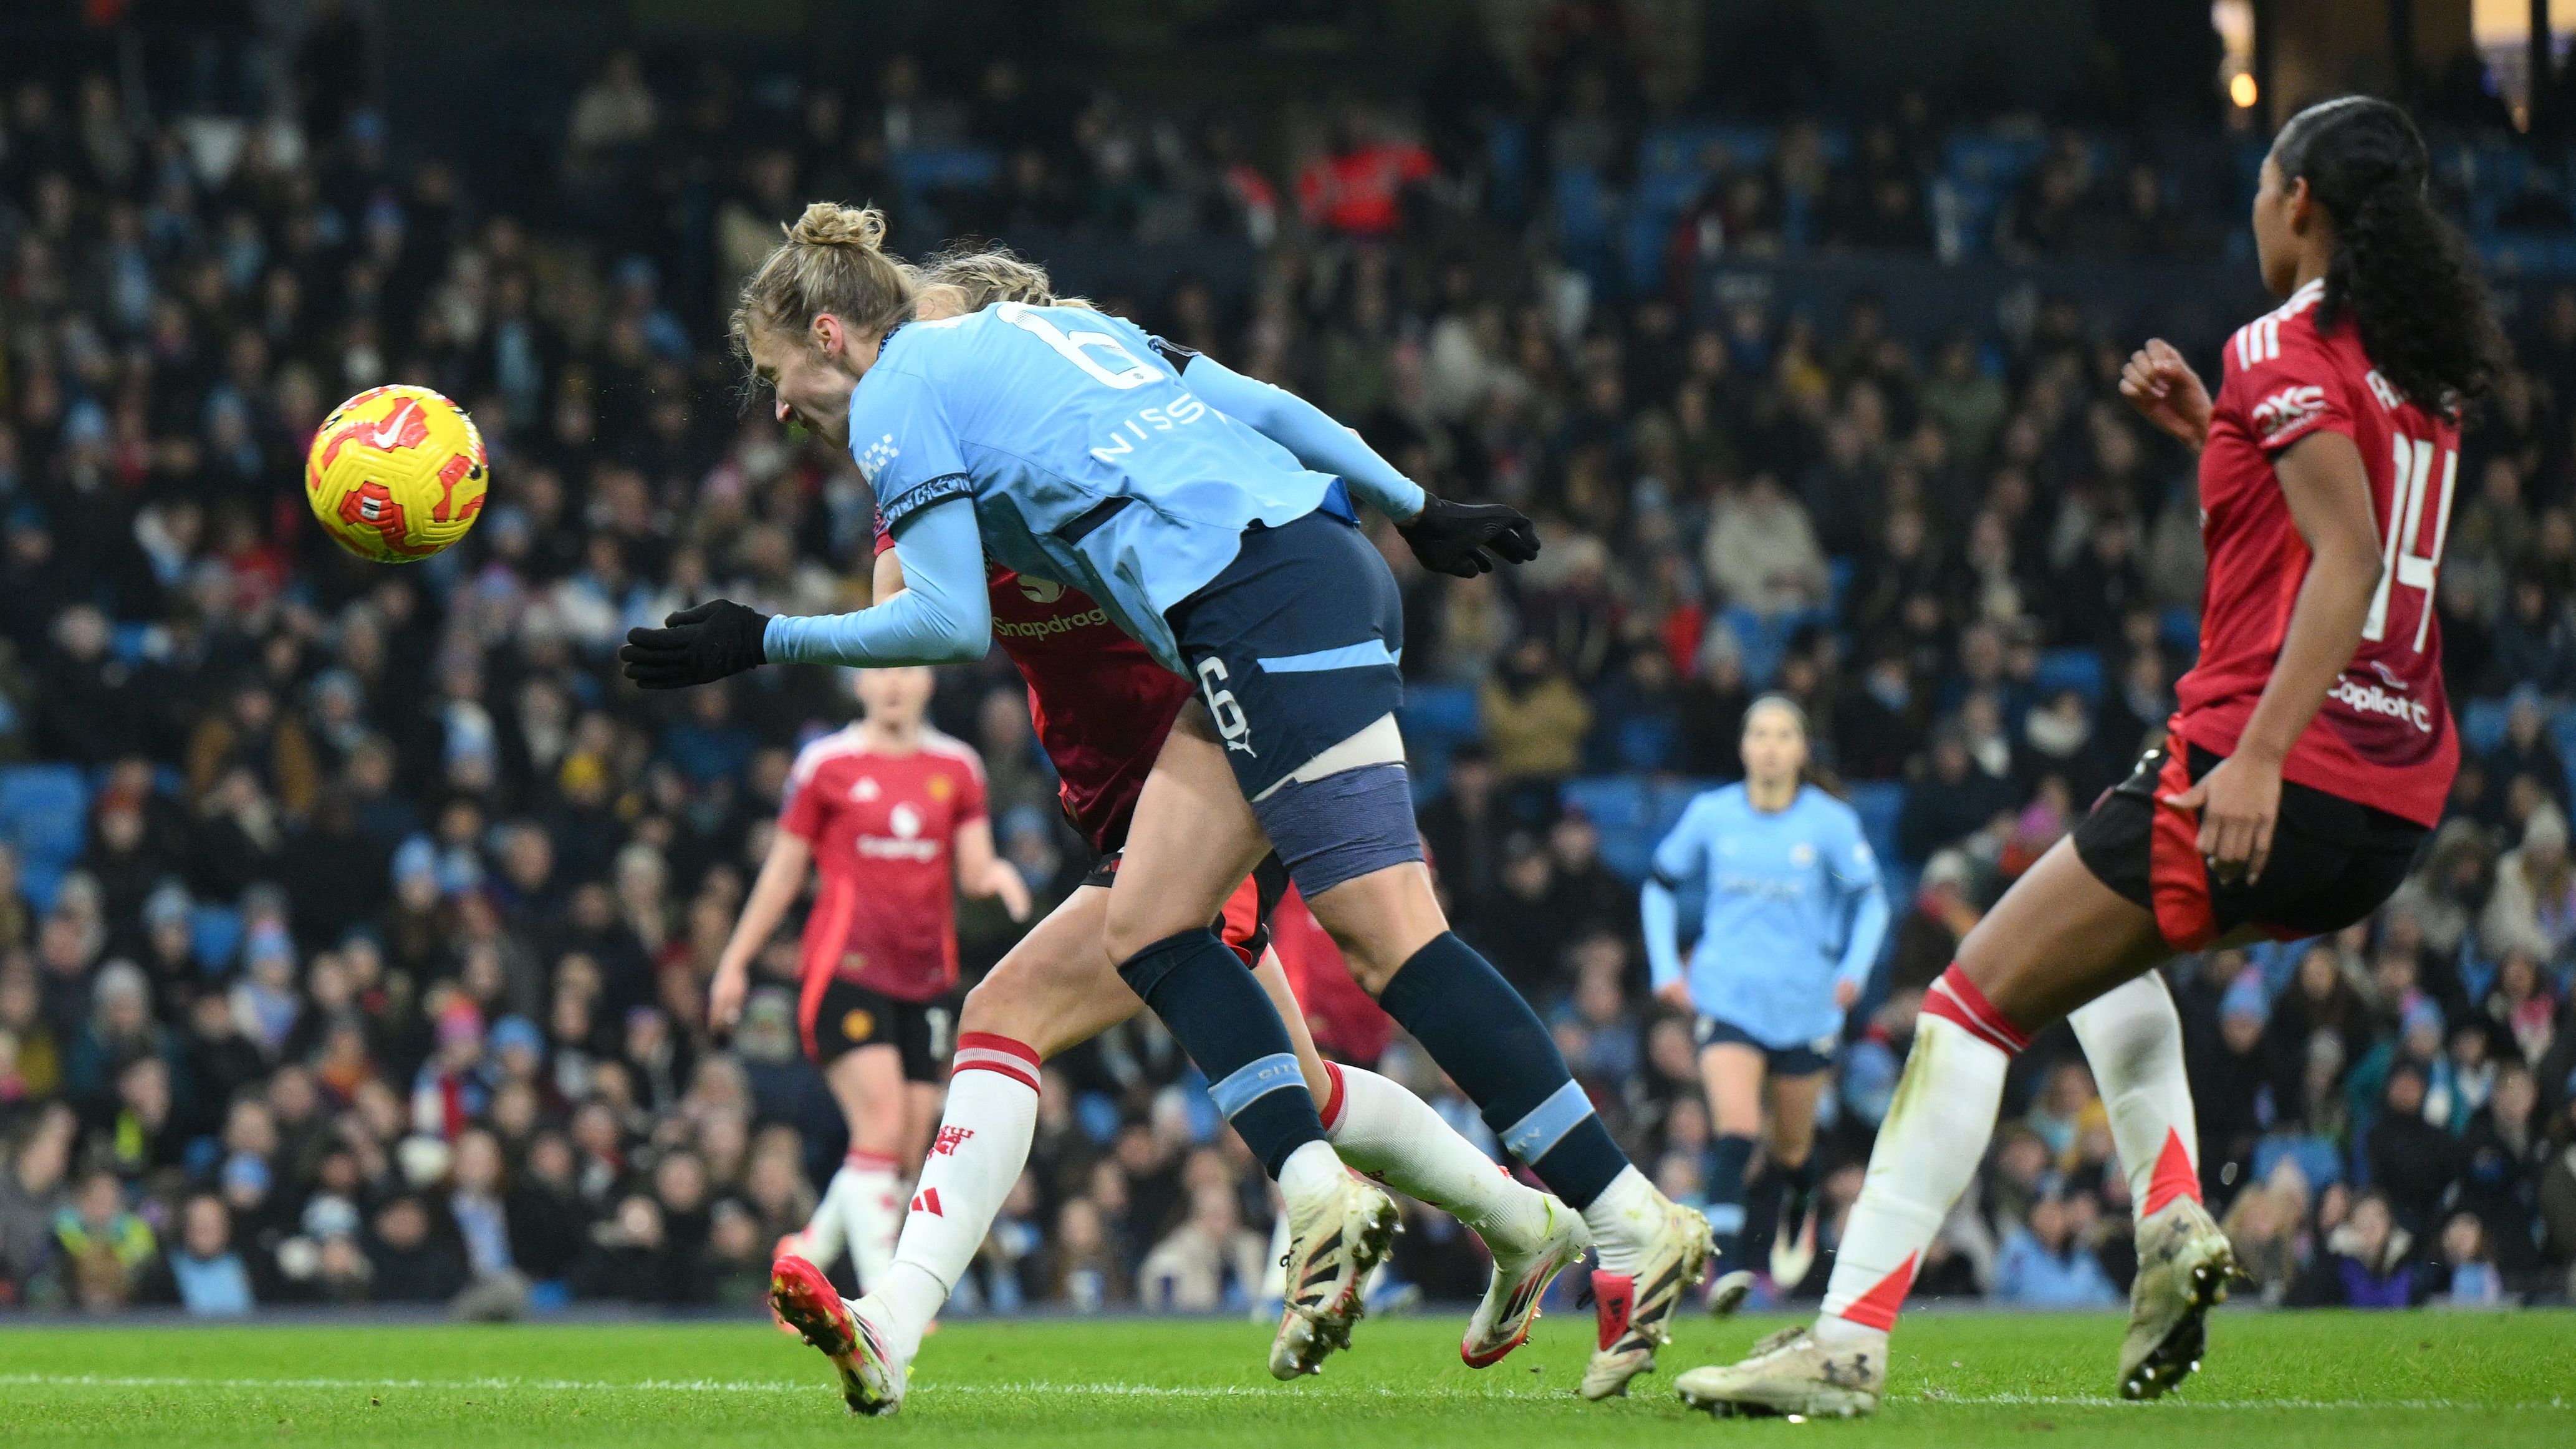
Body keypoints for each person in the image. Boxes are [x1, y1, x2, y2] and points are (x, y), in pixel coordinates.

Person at [625, 207, 1707, 1403]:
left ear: (854, 326)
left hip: (1247, 619)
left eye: (781, 377)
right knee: (1320, 975)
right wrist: (1412, 503)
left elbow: (936, 616)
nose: (781, 408)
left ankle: (1417, 1203)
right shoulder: (1077, 356)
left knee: (1129, 977)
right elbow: (1268, 407)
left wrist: (759, 636)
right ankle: (1558, 1215)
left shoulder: (920, 392)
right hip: (1285, 601)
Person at [1679, 96, 2497, 1417]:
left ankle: (1842, 1341)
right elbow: (2340, 527)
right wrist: (2216, 435)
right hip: (2392, 802)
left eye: (2259, 184)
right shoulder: (2413, 368)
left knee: (1969, 1000)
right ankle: (2170, 1218)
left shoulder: (2281, 341)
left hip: (2264, 766)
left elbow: (2341, 560)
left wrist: (2255, 757)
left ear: (2295, 203)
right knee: (2101, 955)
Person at [708, 665, 1031, 1299]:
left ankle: (805, 1253)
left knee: (908, 1143)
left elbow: (972, 867)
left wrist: (995, 875)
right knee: (880, 1126)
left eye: (907, 669)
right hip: (845, 971)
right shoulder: (825, 765)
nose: (893, 683)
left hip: (926, 976)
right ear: (857, 682)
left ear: (929, 682)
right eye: (880, 669)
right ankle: (887, 1305)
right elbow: (782, 871)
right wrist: (735, 961)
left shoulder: (958, 766)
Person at [1641, 696, 1886, 1312]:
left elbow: (1873, 901)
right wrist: (1667, 967)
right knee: (1737, 1128)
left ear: (1801, 749)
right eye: (1759, 733)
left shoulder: (1828, 821)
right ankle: (1724, 1262)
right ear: (1744, 746)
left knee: (1792, 1146)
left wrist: (1853, 970)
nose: (1771, 745)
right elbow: (1659, 884)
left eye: (1783, 734)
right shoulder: (1712, 813)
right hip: (1729, 997)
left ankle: (1785, 1215)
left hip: (1805, 1006)